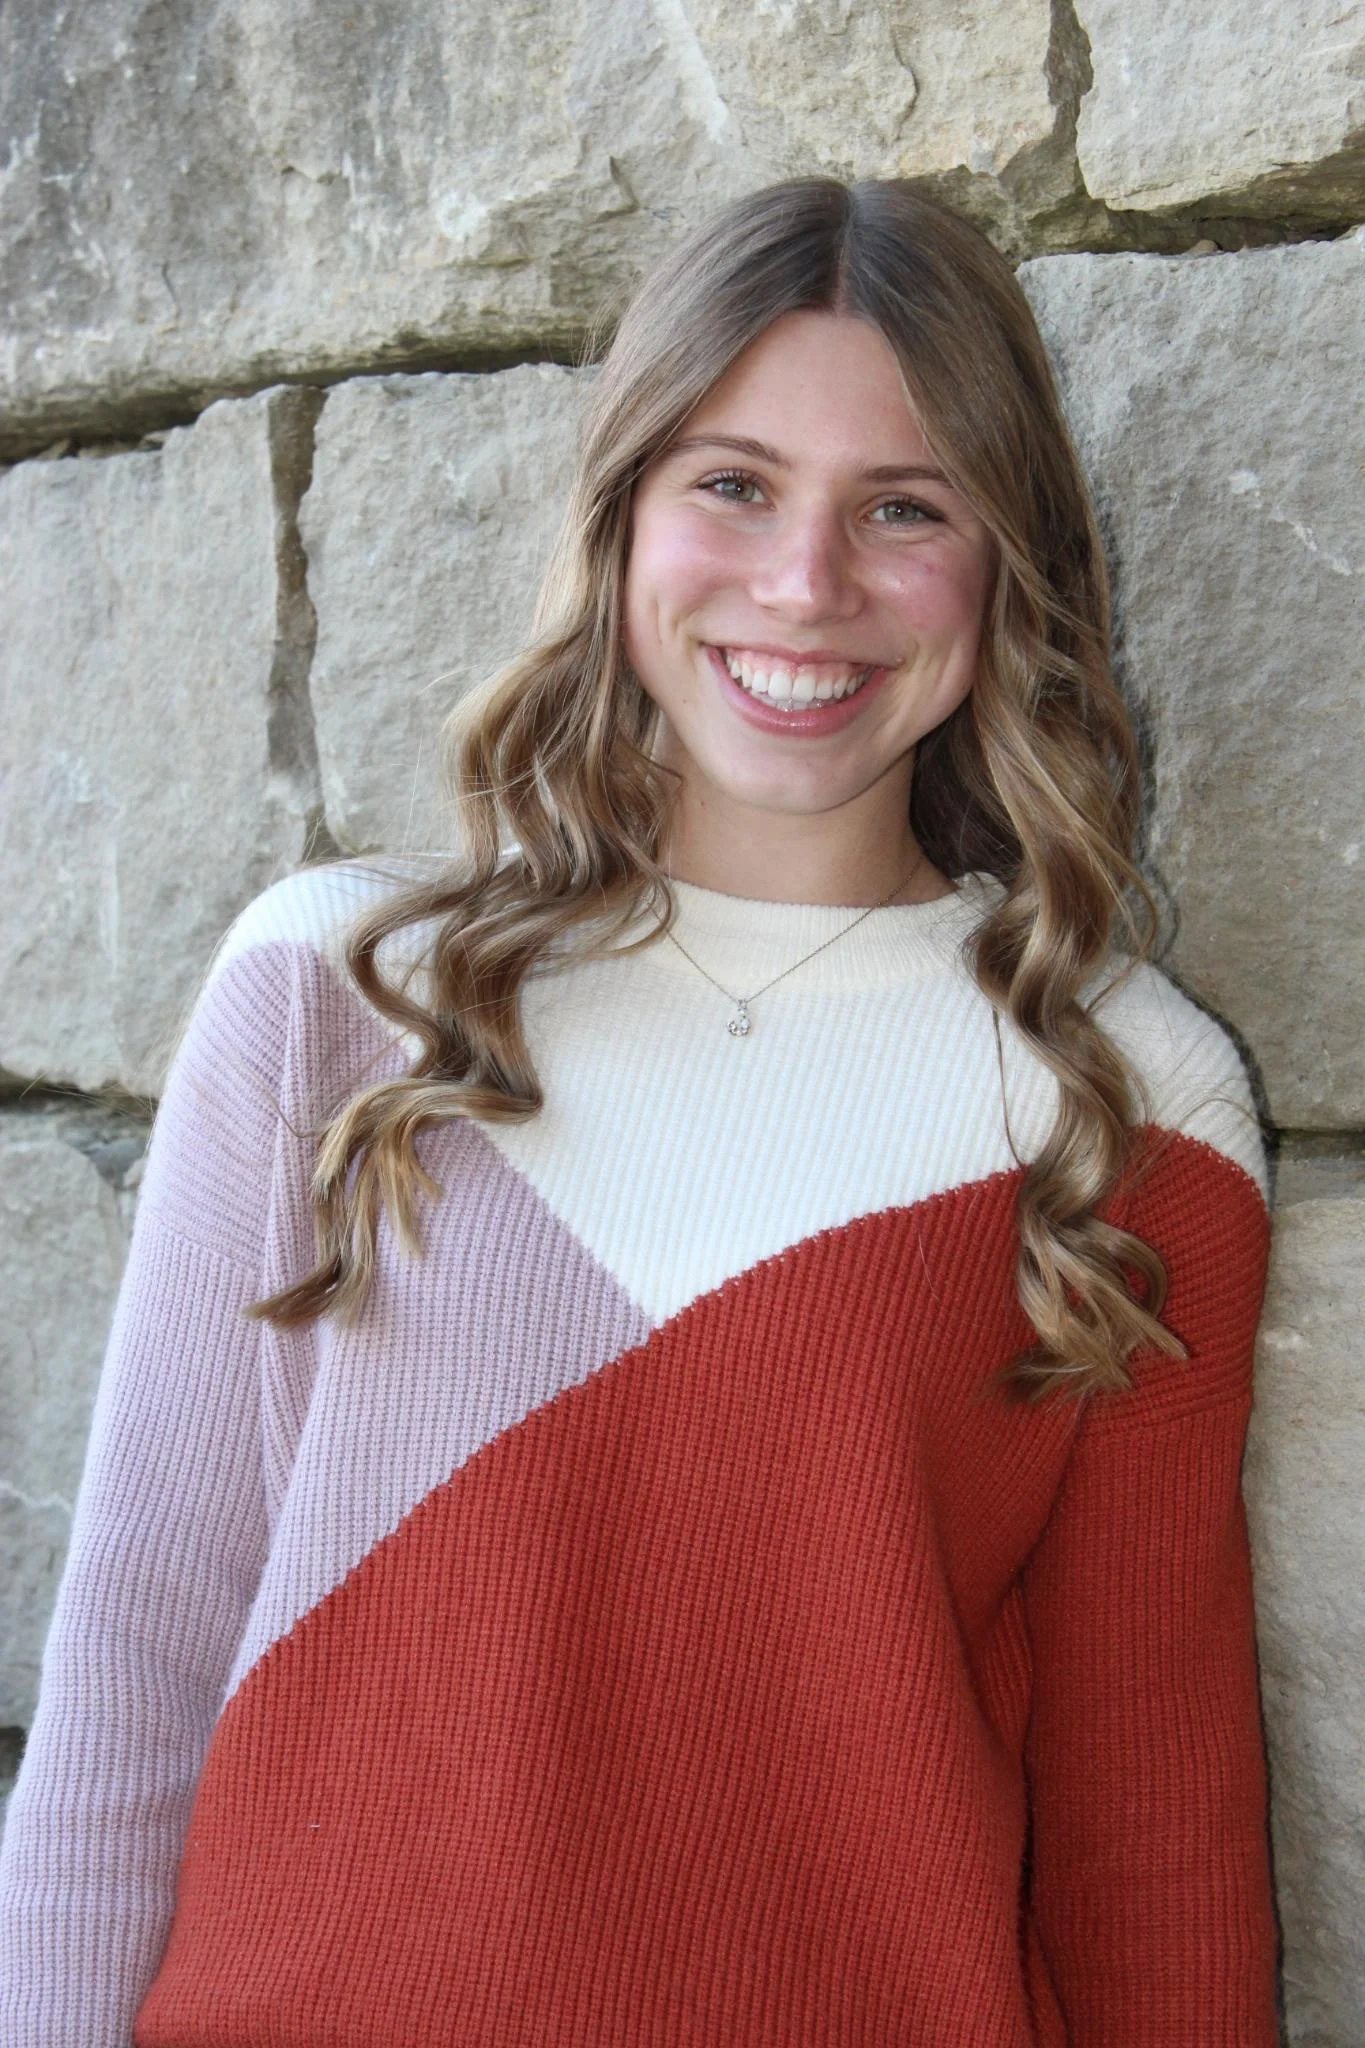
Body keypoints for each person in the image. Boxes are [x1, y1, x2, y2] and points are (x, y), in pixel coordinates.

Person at [0, 178, 1278, 2046]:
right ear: (618, 522)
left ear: (1008, 565)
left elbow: (1149, 1826)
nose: (806, 584)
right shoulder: (346, 992)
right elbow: (131, 1675)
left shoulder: (1130, 1095)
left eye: (904, 508)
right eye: (734, 484)